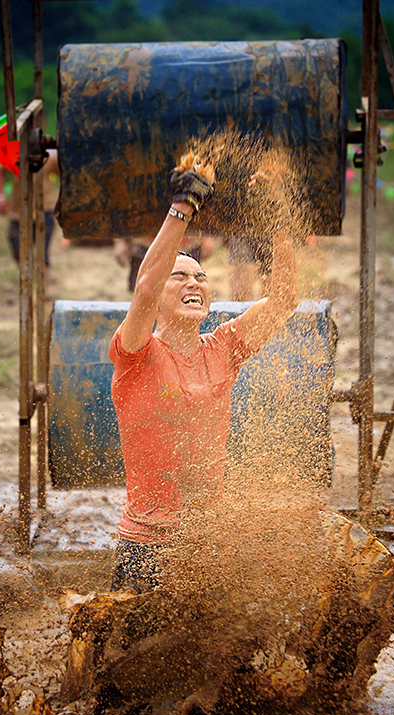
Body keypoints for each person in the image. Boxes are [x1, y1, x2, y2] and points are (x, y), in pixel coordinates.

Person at [108, 152, 298, 592]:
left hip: (207, 542)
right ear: (159, 295)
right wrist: (183, 206)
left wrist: (277, 214)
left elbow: (285, 297)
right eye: (180, 277)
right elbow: (146, 285)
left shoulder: (225, 348)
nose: (194, 283)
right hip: (146, 547)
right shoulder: (137, 352)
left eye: (201, 277)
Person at [0, 149, 59, 267]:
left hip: (44, 209)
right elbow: (0, 173)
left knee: (42, 254)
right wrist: (1, 196)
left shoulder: (48, 155)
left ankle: (42, 283)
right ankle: (28, 278)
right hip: (18, 212)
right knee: (18, 250)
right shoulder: (12, 154)